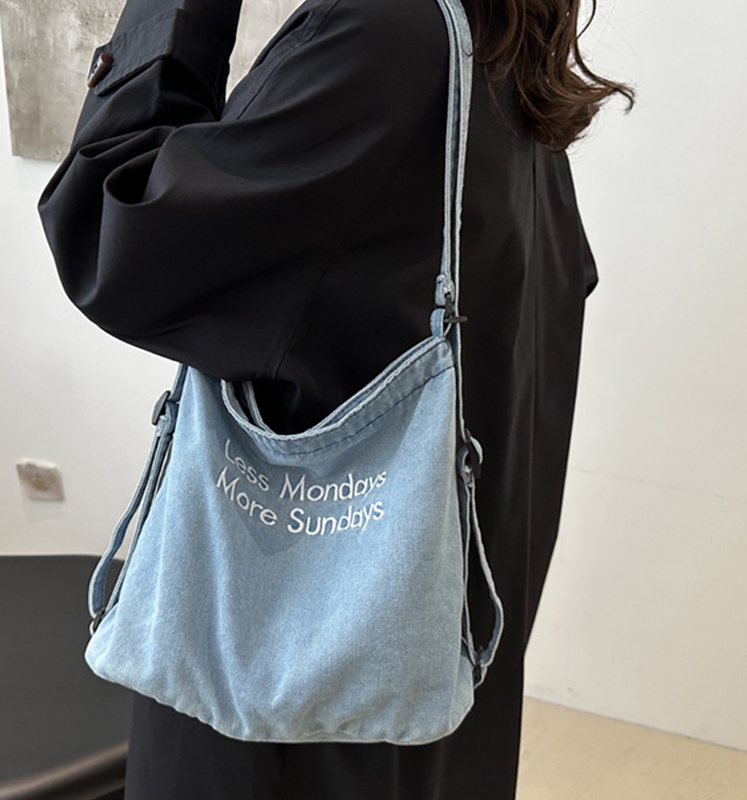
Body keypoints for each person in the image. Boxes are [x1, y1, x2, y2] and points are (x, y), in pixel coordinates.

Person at [37, 0, 633, 797]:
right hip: (422, 668)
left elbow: (111, 227)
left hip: (286, 700)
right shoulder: (494, 42)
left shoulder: (379, 37)